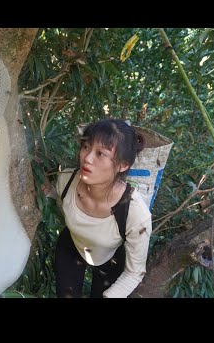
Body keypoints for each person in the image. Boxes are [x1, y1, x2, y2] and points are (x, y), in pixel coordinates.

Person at [47, 118, 152, 298]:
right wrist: (47, 191)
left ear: (123, 165)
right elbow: (60, 201)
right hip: (72, 244)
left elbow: (135, 272)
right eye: (86, 147)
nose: (87, 158)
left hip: (110, 256)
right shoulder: (66, 180)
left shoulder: (134, 213)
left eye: (100, 153)